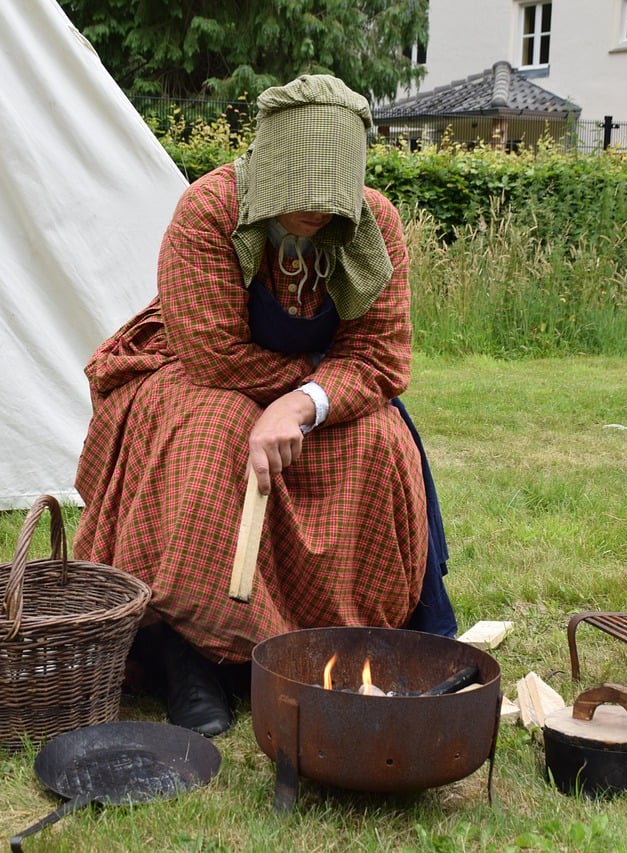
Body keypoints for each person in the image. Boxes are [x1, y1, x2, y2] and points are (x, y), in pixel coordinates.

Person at [73, 74, 455, 737]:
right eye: (298, 194)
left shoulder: (376, 223)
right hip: (198, 369)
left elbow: (382, 355)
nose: (314, 211)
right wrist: (300, 392)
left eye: (328, 199)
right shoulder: (208, 209)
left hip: (316, 380)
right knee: (214, 429)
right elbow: (212, 351)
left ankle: (332, 641)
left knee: (377, 439)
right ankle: (186, 654)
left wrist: (303, 403)